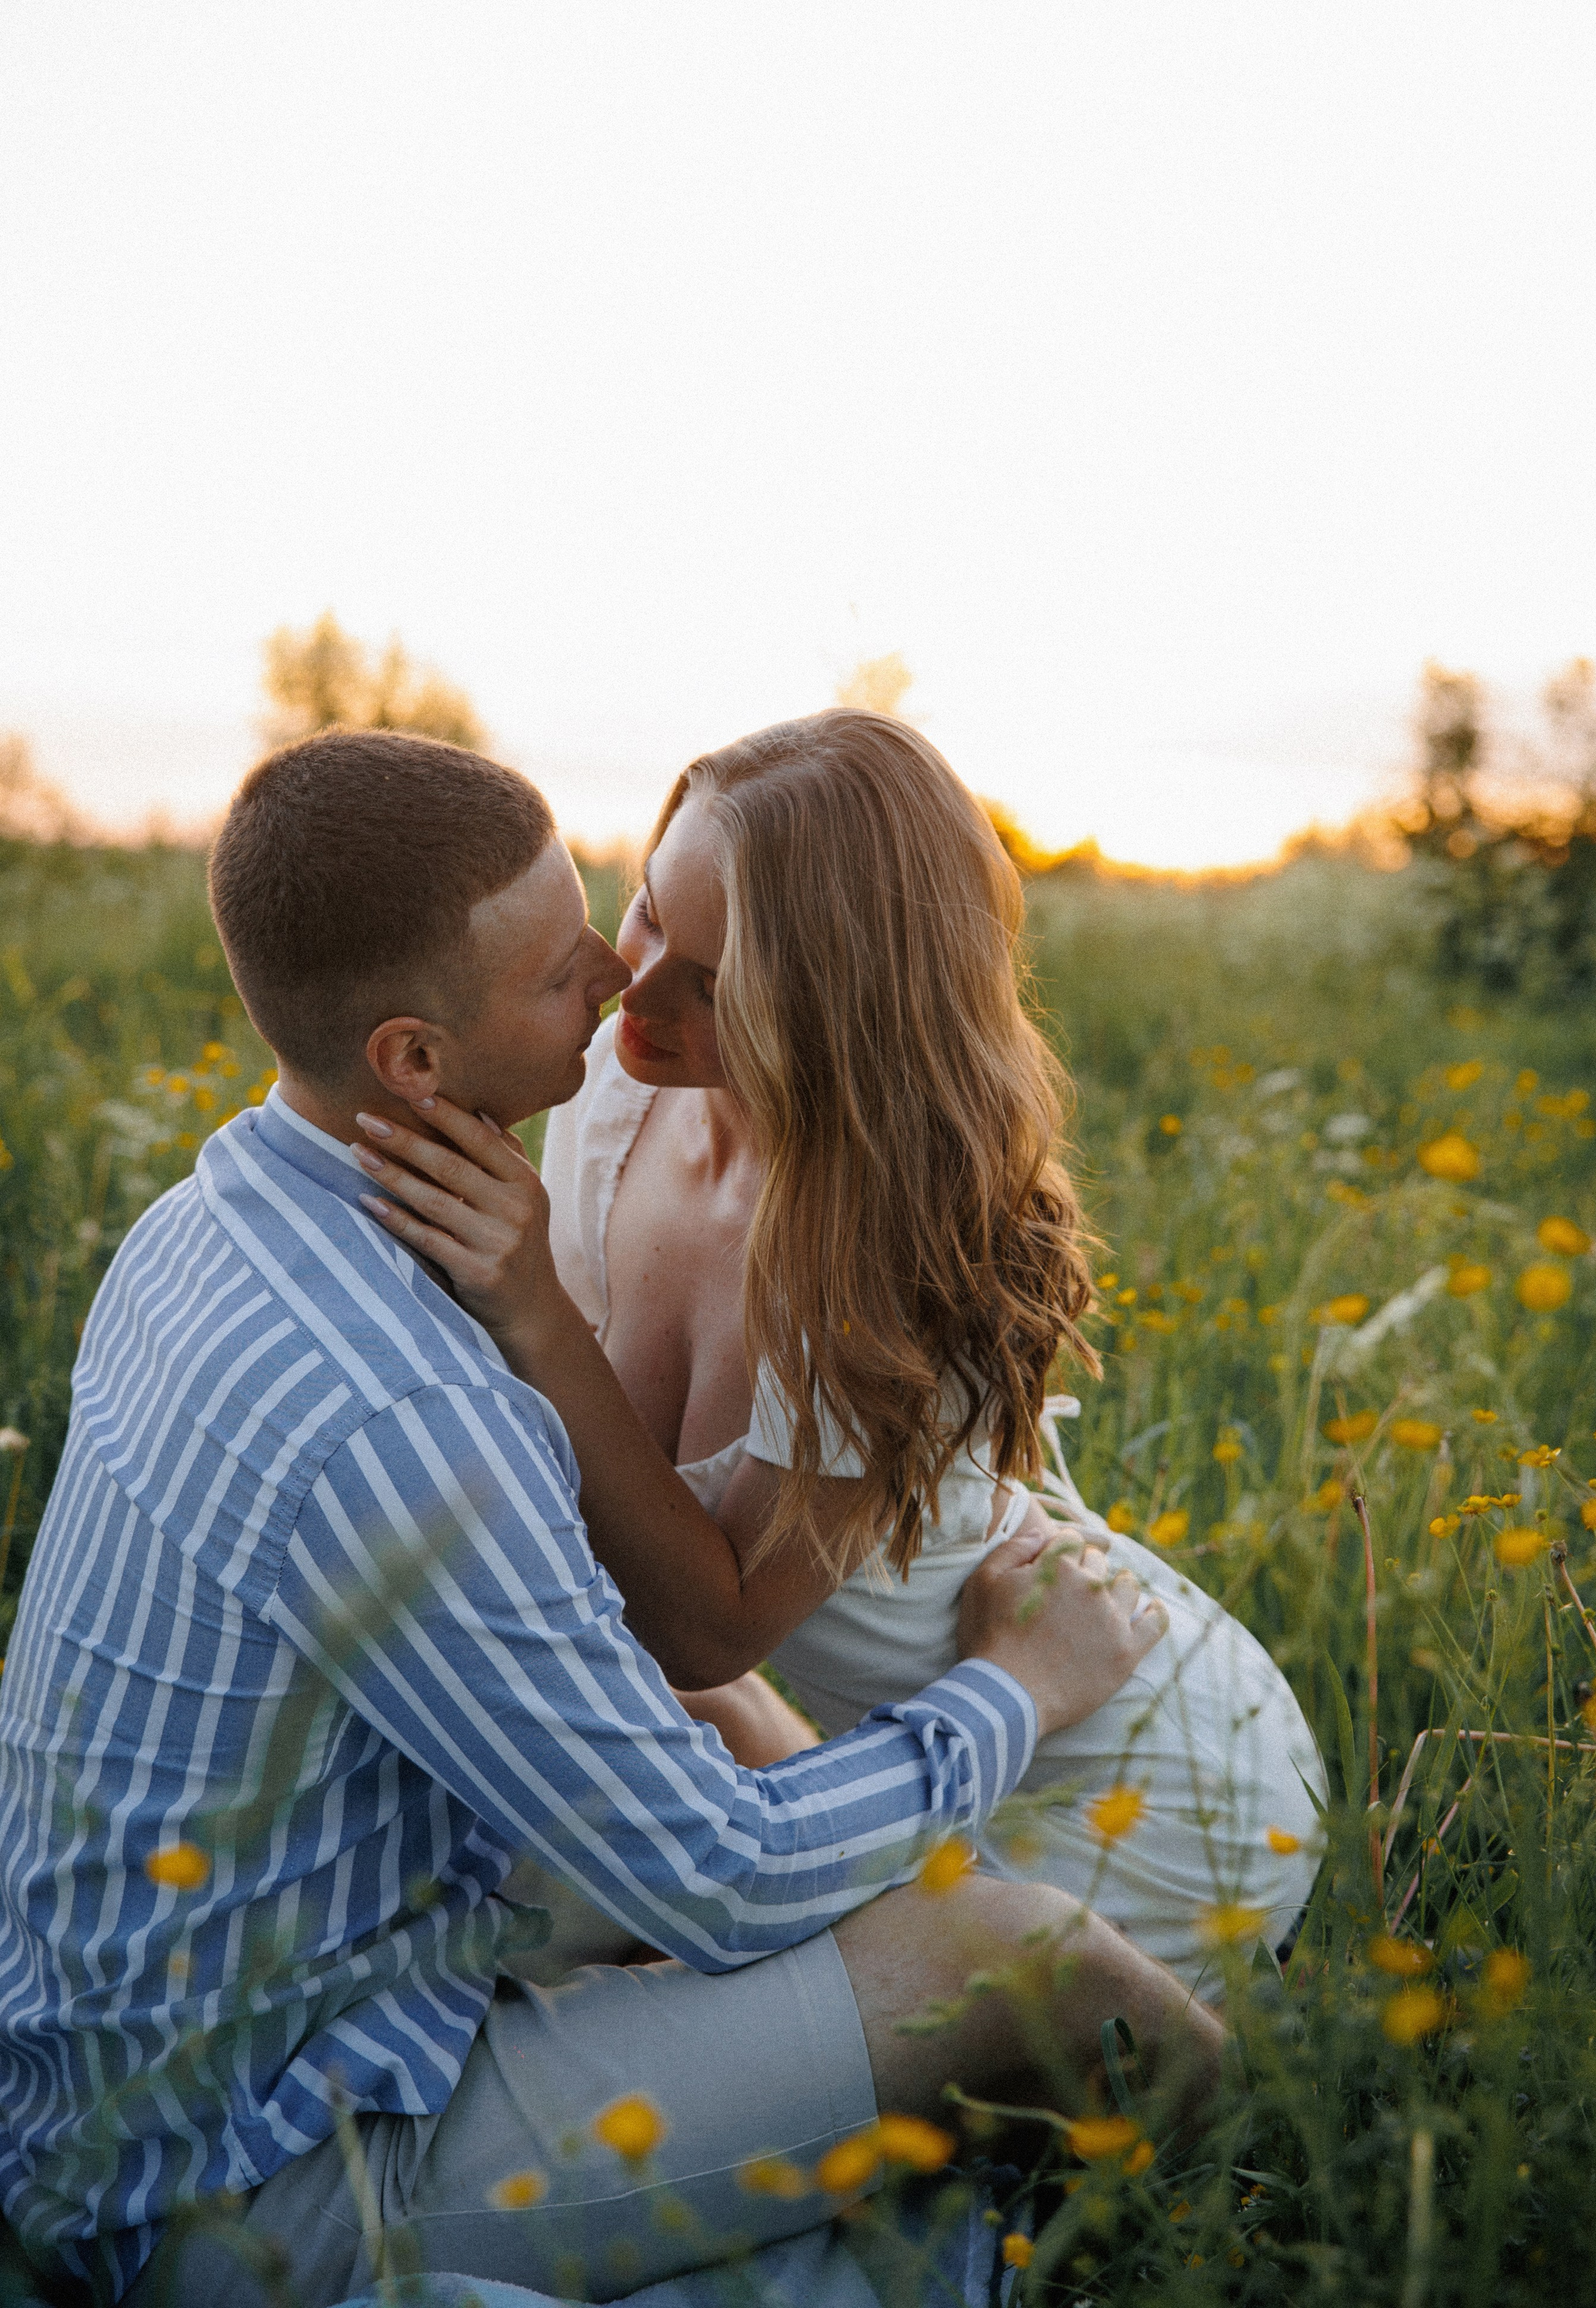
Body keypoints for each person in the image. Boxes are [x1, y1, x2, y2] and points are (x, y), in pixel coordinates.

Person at [0, 730, 1219, 2308]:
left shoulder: (206, 1220)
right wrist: (1019, 1686)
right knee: (1016, 1963)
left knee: (730, 1753)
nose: (611, 971)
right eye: (554, 961)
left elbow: (619, 1638)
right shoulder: (401, 1415)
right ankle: (1289, 2189)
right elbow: (715, 1882)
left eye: (606, 908)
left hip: (163, 2029)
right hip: (246, 2175)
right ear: (414, 1062)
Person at [359, 712, 1326, 2002]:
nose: (631, 994)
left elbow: (708, 1625)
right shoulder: (619, 1089)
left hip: (1135, 1796)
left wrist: (529, 1300)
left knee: (734, 2024)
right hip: (924, 1738)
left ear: (842, 1014)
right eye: (646, 915)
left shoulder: (883, 1256)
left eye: (714, 986)